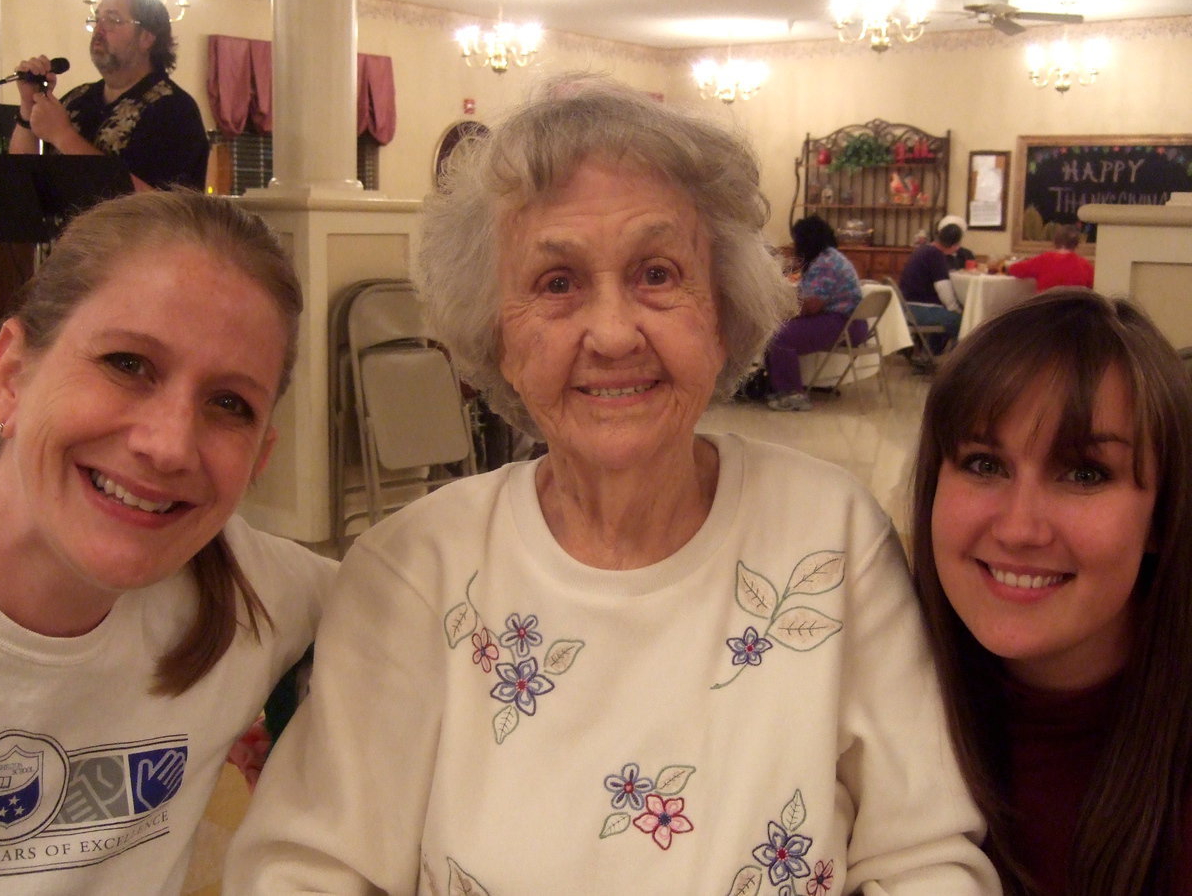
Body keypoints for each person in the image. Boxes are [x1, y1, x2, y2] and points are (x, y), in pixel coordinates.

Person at [224, 75, 999, 894]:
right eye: (556, 284)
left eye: (657, 274)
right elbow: (305, 869)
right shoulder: (416, 566)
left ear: (725, 308)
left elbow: (922, 856)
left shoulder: (829, 534)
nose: (613, 332)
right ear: (494, 333)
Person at [0, 189, 332, 893]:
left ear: (260, 457)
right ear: (9, 378)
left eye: (228, 404)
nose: (169, 445)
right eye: (126, 364)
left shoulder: (251, 592)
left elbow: (436, 594)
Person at [909, 288, 1192, 895]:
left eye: (1084, 474)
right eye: (985, 464)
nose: (1018, 528)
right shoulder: (874, 682)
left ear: (1163, 518)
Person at [9, 0, 209, 191]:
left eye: (113, 20)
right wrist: (28, 106)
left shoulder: (174, 109)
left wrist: (64, 136)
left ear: (147, 38)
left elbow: (160, 208)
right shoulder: (77, 99)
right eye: (97, 19)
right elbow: (19, 178)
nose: (99, 29)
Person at [764, 215, 863, 412]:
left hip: (842, 323)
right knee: (777, 330)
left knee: (779, 335)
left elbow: (811, 305)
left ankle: (792, 393)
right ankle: (779, 387)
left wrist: (782, 311)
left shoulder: (825, 262)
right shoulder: (829, 257)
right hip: (850, 322)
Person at [899, 221, 965, 355]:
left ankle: (929, 355)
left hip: (906, 307)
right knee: (963, 320)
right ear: (954, 244)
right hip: (919, 309)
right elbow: (943, 289)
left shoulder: (923, 250)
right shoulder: (936, 255)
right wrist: (956, 309)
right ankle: (957, 363)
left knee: (948, 315)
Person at [1004, 224, 1095, 292]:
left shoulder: (1044, 260)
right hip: (1076, 313)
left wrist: (1003, 267)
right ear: (1076, 244)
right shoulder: (1085, 265)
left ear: (1055, 241)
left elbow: (1014, 270)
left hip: (1046, 311)